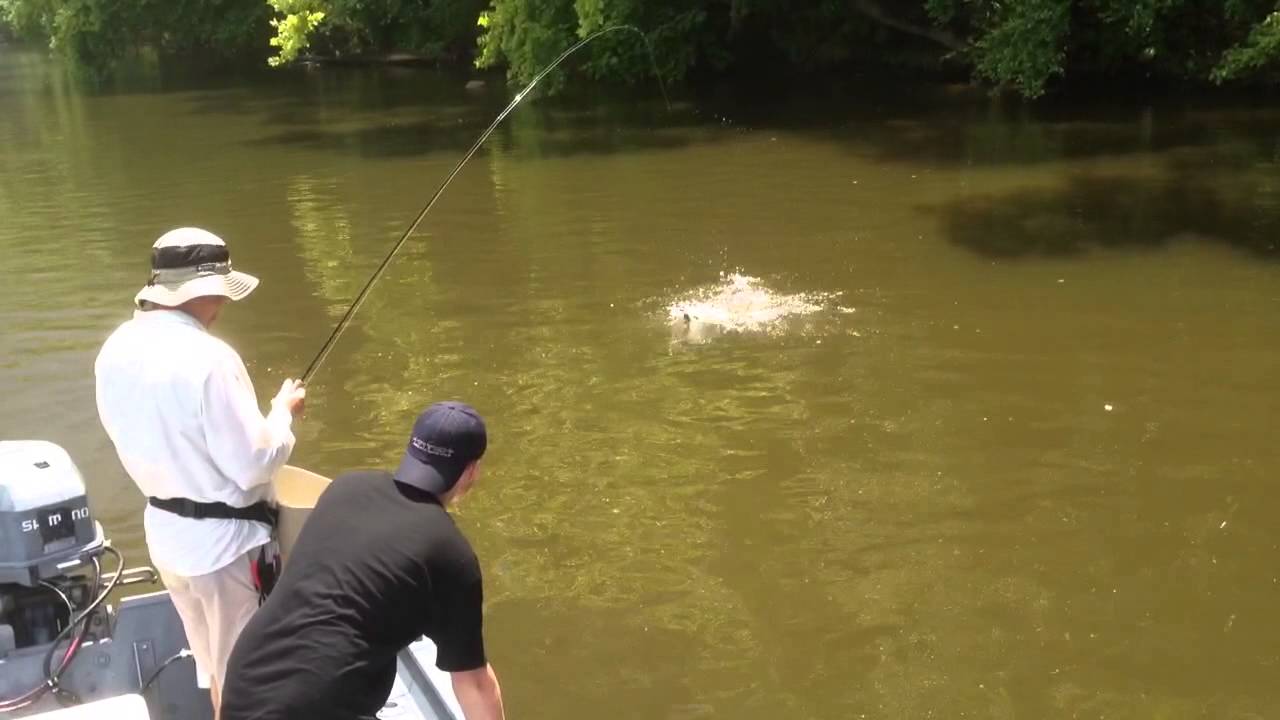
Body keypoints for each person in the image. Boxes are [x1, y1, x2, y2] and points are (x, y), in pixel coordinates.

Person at [94, 227, 306, 718]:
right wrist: (282, 412)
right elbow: (254, 464)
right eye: (221, 293)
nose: (222, 305)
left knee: (215, 670)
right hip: (223, 550)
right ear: (205, 290)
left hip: (168, 539)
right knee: (246, 680)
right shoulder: (210, 358)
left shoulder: (116, 348)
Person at [221, 401, 505, 720]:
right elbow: (475, 685)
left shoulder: (346, 488)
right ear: (470, 472)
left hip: (243, 687)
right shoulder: (450, 553)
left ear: (411, 449)